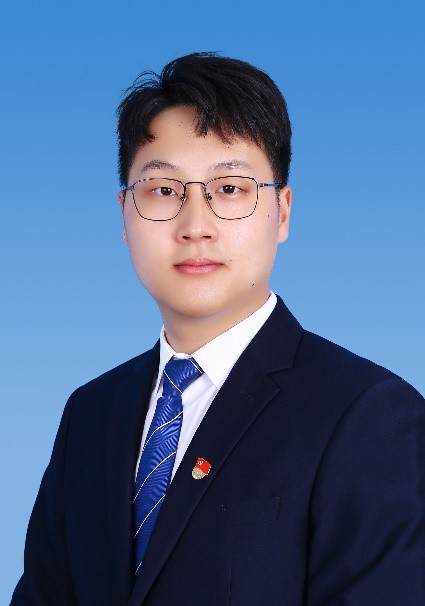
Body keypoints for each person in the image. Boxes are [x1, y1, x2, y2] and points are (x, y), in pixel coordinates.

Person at [10, 52, 425, 606]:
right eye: (164, 191)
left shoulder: (368, 415)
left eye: (229, 189)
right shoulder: (90, 414)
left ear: (282, 212)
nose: (196, 226)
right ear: (124, 213)